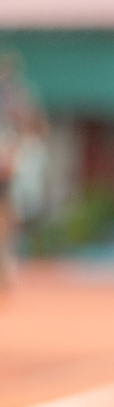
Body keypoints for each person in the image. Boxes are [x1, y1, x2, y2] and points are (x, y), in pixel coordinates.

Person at [0, 52, 46, 291]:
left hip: (7, 171)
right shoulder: (15, 99)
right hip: (7, 168)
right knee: (8, 222)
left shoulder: (16, 99)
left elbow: (25, 127)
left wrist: (14, 157)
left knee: (8, 221)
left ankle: (6, 270)